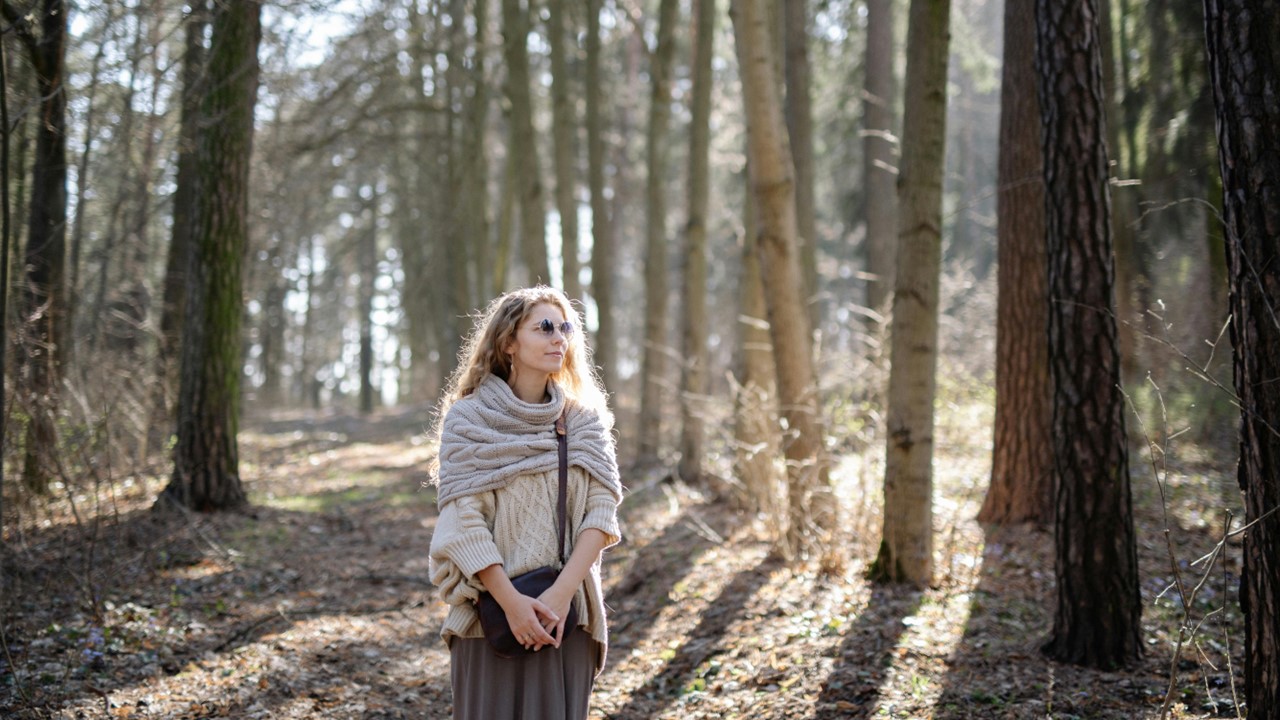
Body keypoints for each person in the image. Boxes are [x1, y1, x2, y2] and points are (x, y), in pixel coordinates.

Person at [428, 286, 623, 719]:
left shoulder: (584, 421)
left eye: (565, 328)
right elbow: (463, 523)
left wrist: (560, 595)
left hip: (564, 620)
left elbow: (601, 512)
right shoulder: (469, 419)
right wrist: (513, 605)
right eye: (545, 327)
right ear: (509, 343)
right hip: (488, 620)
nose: (559, 338)